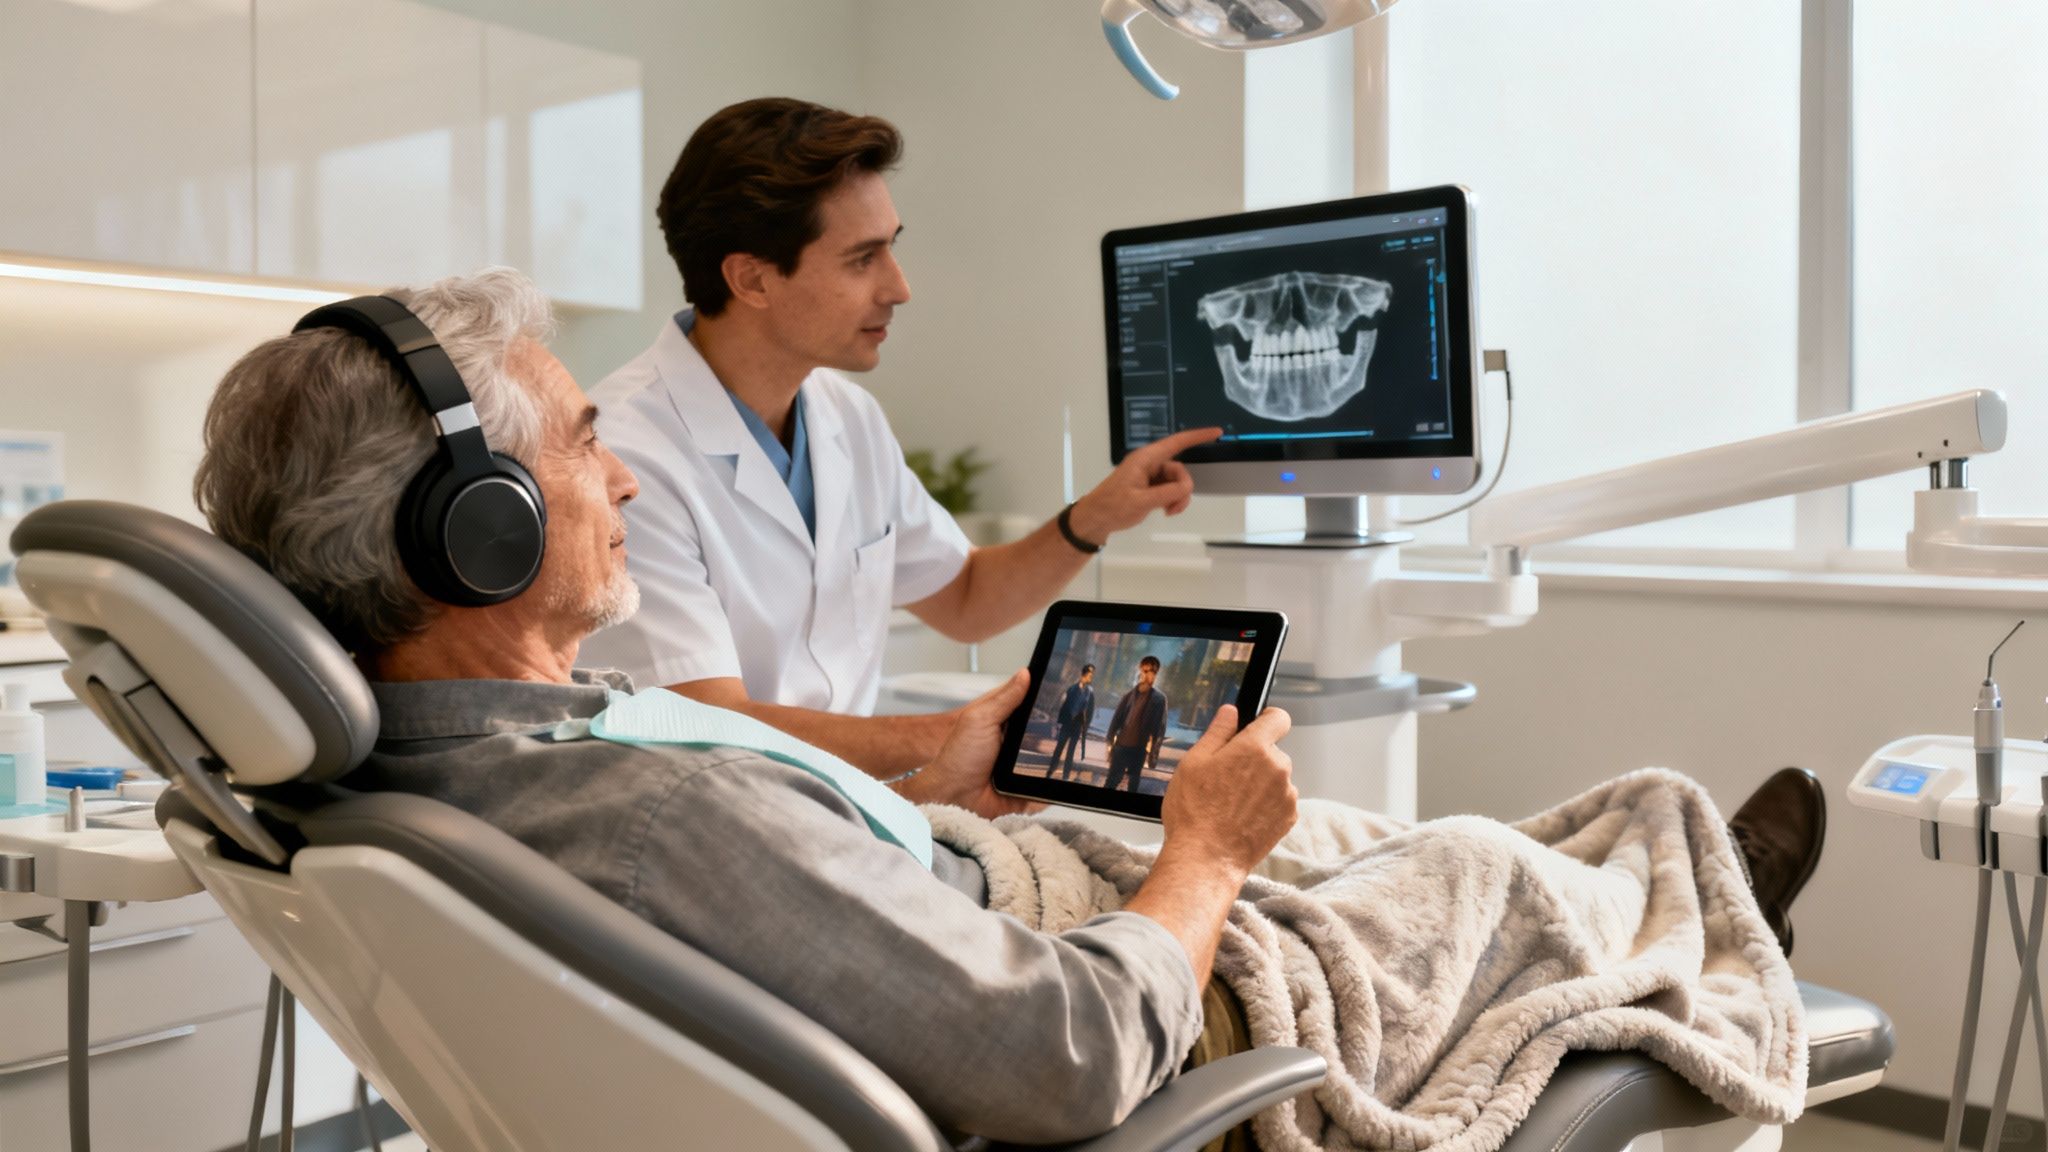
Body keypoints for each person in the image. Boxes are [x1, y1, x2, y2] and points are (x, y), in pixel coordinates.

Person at [190, 270, 1829, 1146]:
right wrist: (1193, 858)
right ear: (468, 531)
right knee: (1481, 860)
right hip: (1099, 993)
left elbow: (943, 604)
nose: (617, 468)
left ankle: (1667, 883)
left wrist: (931, 785)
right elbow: (1062, 1058)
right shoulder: (635, 817)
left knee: (1350, 829)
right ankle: (1697, 900)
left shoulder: (477, 765)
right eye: (570, 445)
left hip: (966, 871)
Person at [576, 97, 1222, 778]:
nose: (900, 287)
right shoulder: (621, 454)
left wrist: (1097, 517)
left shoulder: (847, 418)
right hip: (720, 820)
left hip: (849, 811)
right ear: (752, 278)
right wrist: (954, 737)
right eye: (863, 259)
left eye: (893, 246)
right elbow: (703, 723)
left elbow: (967, 598)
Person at [1104, 656, 1169, 793]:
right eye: (1145, 670)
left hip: (1138, 749)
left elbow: (1159, 730)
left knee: (1133, 785)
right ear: (1140, 670)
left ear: (1156, 674)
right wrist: (1110, 743)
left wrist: (1152, 754)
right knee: (1111, 782)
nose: (1147, 675)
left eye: (1152, 671)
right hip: (1121, 747)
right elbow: (1116, 721)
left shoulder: (1159, 699)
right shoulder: (1128, 696)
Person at [1049, 663, 1095, 780]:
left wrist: (1085, 727)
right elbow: (1064, 706)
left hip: (1077, 726)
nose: (1091, 676)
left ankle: (1065, 776)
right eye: (1090, 674)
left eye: (1092, 674)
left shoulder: (1090, 693)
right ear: (1084, 674)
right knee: (1059, 748)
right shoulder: (1072, 688)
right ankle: (1050, 771)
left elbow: (1090, 712)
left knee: (1070, 753)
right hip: (1067, 724)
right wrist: (1059, 723)